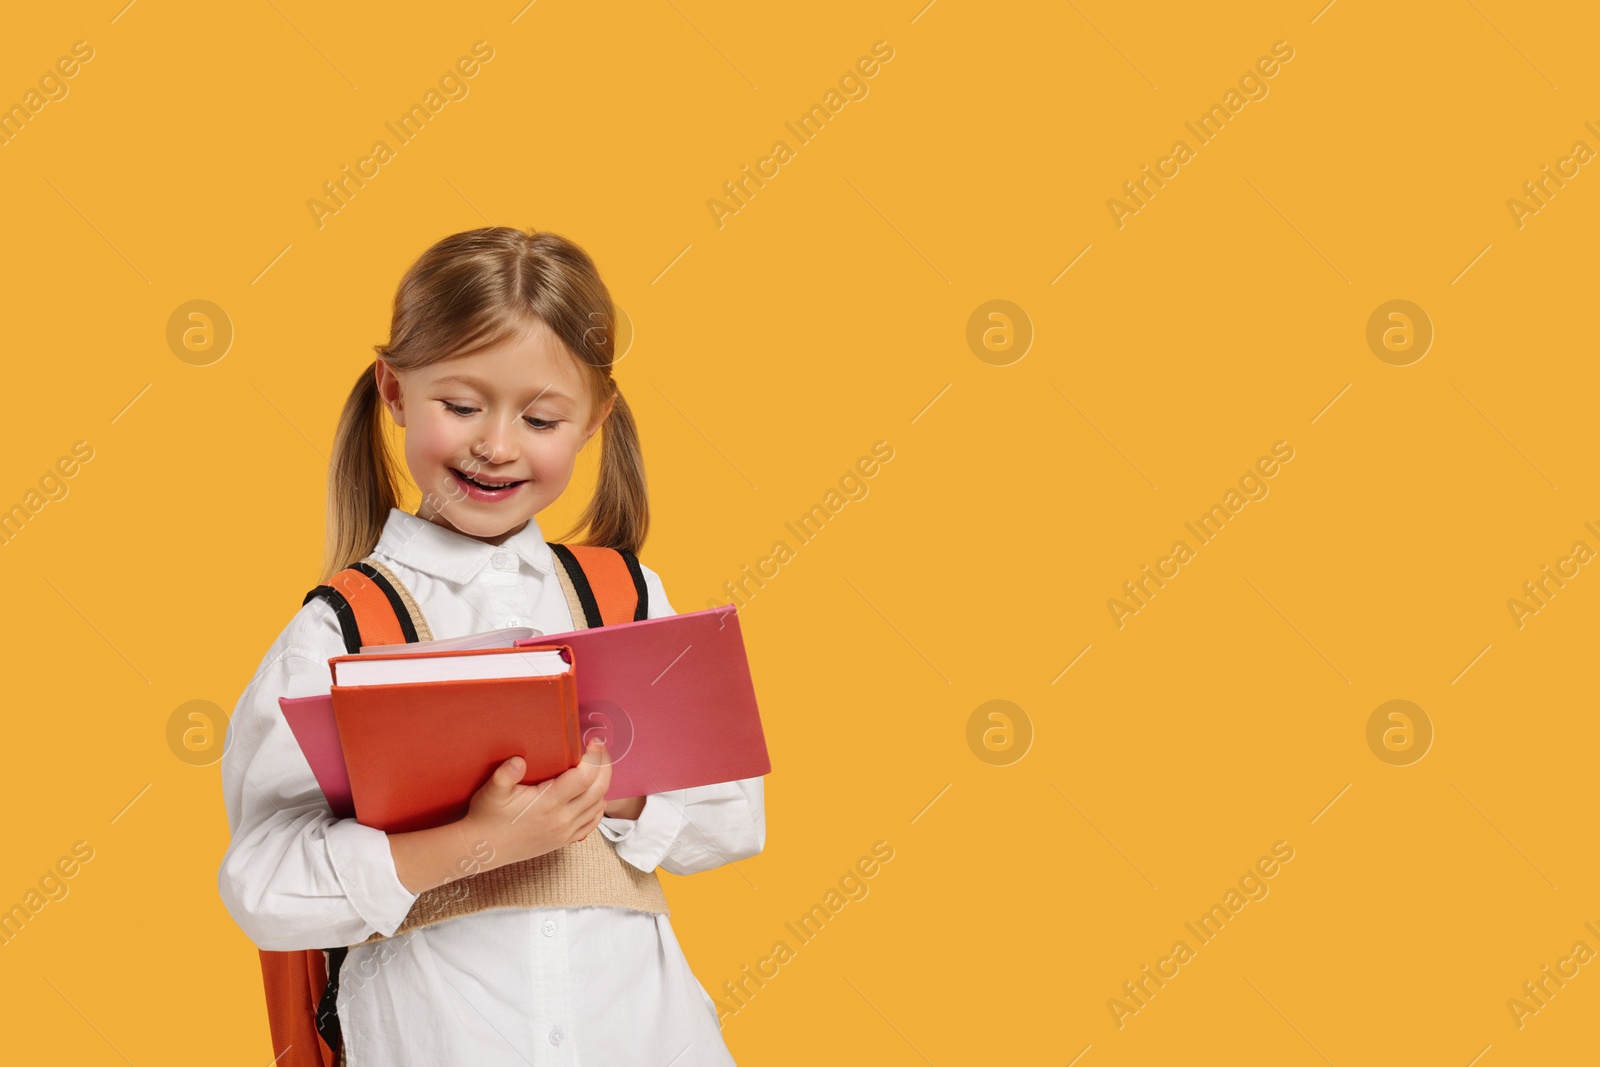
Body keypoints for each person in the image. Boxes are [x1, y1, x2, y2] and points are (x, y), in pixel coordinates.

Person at [217, 226, 765, 1065]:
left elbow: (734, 817)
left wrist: (598, 794)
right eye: (462, 406)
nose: (497, 445)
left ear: (593, 421)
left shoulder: (623, 598)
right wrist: (477, 840)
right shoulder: (342, 630)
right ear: (394, 391)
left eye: (541, 416)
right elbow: (263, 886)